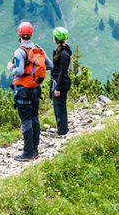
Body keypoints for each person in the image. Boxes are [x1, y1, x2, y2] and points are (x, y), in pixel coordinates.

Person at [7, 21, 51, 161]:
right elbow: (49, 65)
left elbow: (19, 71)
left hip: (23, 91)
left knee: (26, 121)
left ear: (19, 35)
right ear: (31, 34)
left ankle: (28, 153)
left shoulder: (20, 51)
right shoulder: (38, 49)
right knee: (34, 119)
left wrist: (11, 67)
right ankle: (35, 149)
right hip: (35, 89)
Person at [50, 27, 72, 136]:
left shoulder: (63, 54)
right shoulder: (62, 51)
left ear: (56, 38)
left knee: (60, 107)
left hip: (60, 84)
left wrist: (58, 88)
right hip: (59, 82)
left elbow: (62, 72)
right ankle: (61, 128)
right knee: (58, 106)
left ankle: (62, 130)